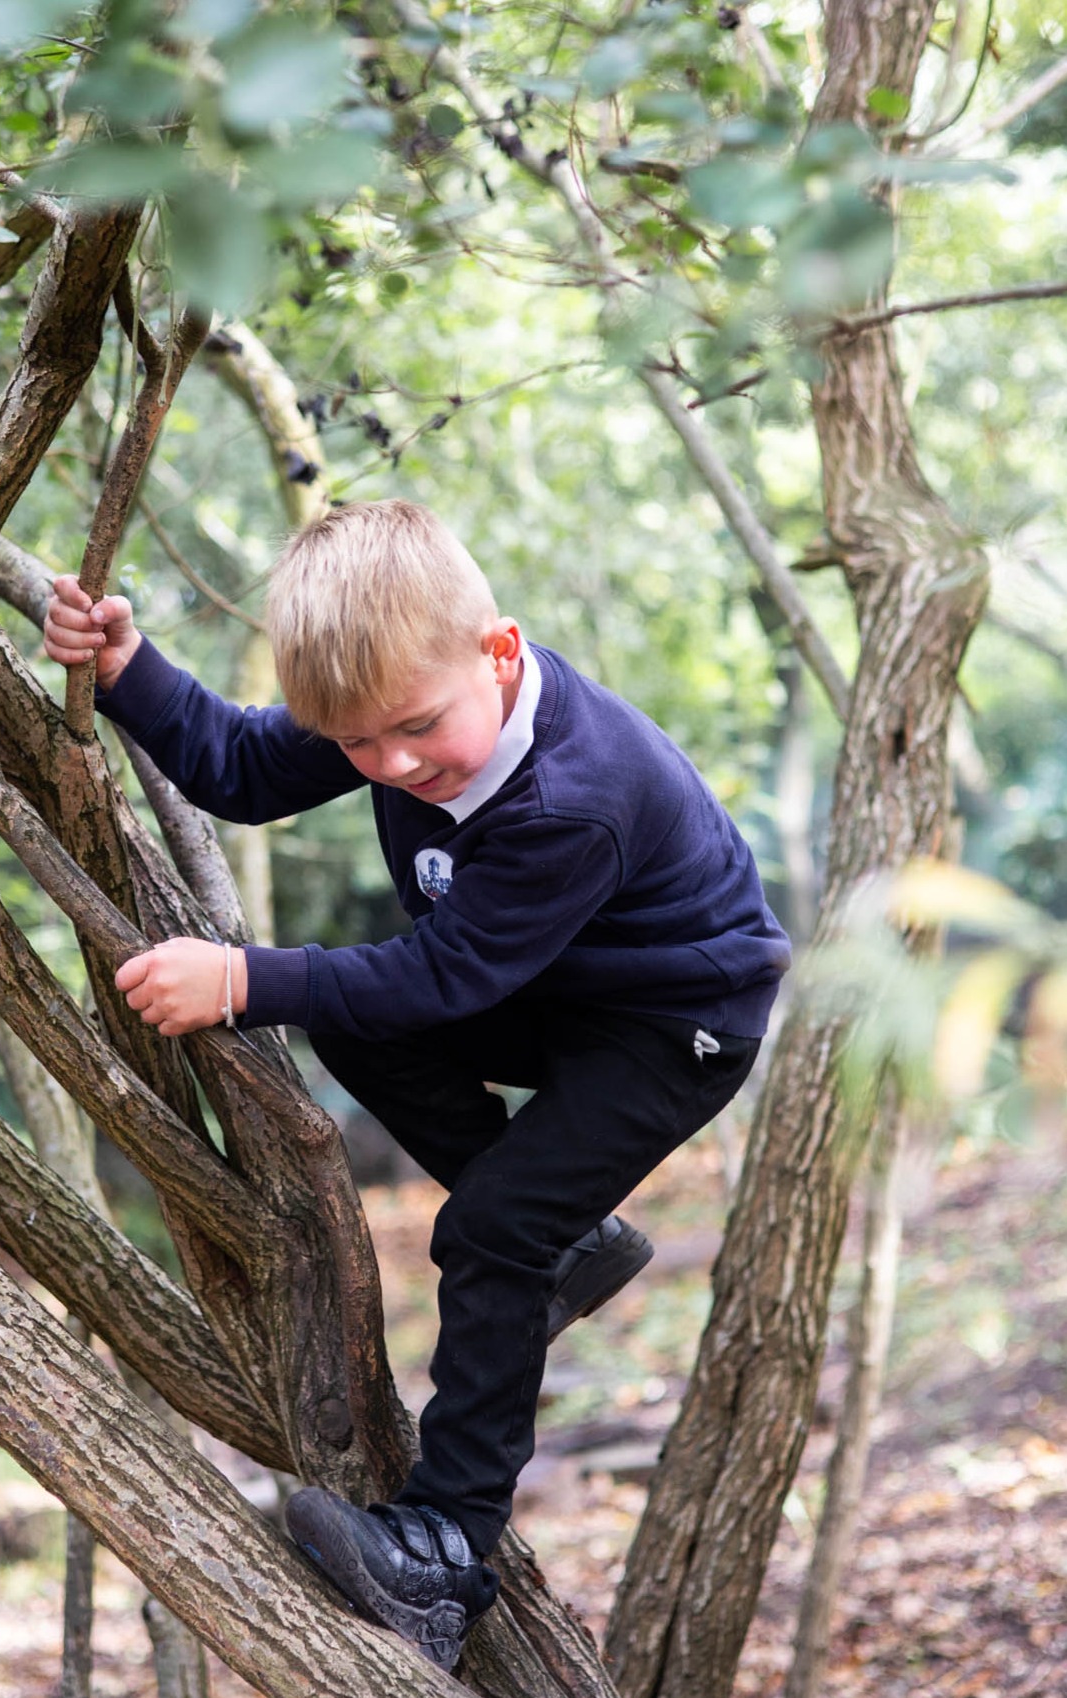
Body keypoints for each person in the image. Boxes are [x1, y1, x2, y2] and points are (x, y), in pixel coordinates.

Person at [42, 499, 790, 1670]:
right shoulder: (389, 695)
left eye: (412, 733)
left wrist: (241, 977)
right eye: (354, 746)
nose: (390, 766)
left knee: (487, 1225)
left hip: (671, 1022)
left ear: (499, 652)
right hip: (554, 986)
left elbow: (442, 974)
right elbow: (237, 765)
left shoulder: (571, 799)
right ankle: (571, 1244)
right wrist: (130, 667)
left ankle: (447, 1551)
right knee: (364, 1028)